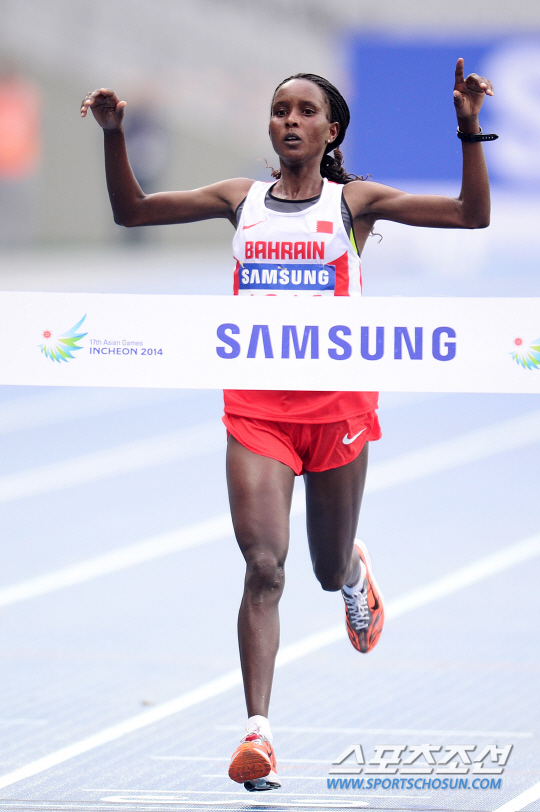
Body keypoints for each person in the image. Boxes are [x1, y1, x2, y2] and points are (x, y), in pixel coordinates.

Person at [80, 59, 494, 792]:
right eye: (280, 111)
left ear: (331, 130)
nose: (291, 121)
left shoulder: (353, 204)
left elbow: (470, 215)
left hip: (336, 410)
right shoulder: (240, 200)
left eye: (306, 111)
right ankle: (258, 735)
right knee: (264, 566)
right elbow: (132, 212)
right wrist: (115, 135)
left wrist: (468, 129)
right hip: (258, 410)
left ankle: (353, 572)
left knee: (324, 570)